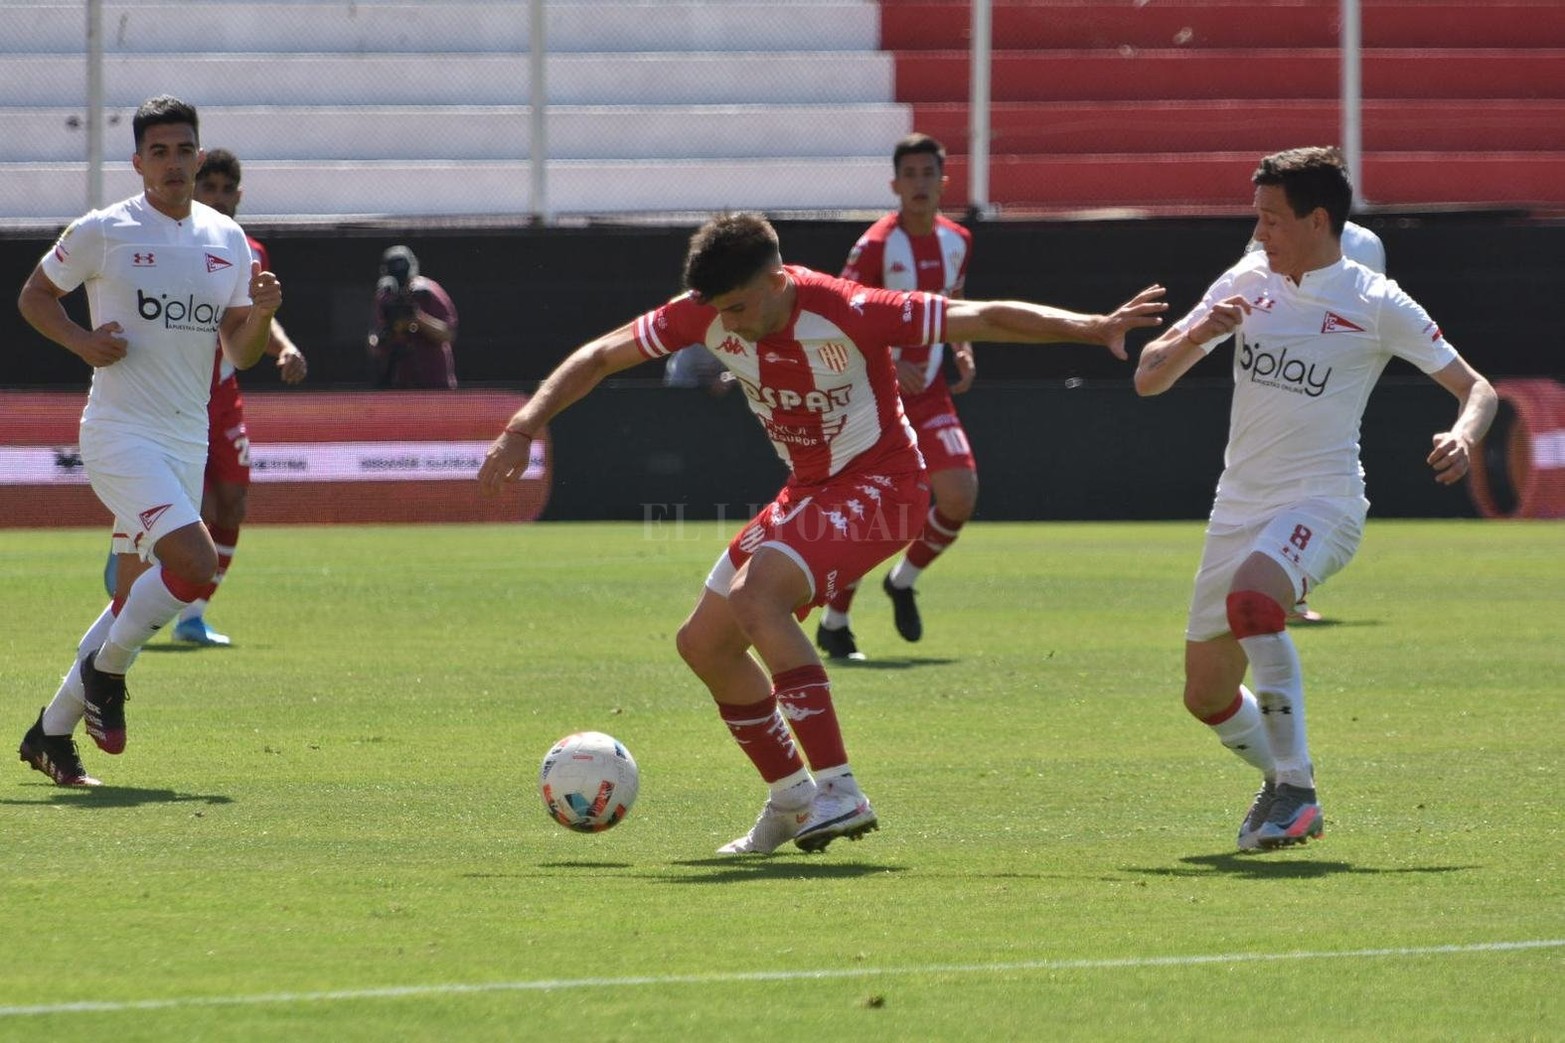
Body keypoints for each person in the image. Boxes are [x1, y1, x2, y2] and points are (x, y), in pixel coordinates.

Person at [480, 212, 1166, 854]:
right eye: (719, 312)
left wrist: (1088, 326)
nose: (730, 326)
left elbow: (980, 316)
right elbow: (600, 355)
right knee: (704, 644)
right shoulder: (708, 314)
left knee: (756, 597)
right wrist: (522, 425)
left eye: (741, 307)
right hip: (807, 492)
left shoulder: (849, 309)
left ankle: (838, 786)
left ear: (777, 281)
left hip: (887, 488)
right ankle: (789, 797)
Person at [1133, 147, 1496, 851]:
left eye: (1270, 219)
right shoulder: (1245, 279)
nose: (1259, 232)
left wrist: (1462, 435)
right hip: (1236, 506)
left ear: (1316, 220)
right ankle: (1290, 781)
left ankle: (1294, 792)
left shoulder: (1373, 300)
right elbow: (1148, 377)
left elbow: (1474, 387)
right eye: (1257, 219)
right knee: (1204, 694)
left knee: (1254, 601)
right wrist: (1201, 331)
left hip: (1322, 502)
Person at [16, 95, 281, 786]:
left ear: (199, 155)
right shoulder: (105, 230)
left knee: (129, 599)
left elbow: (243, 352)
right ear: (137, 162)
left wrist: (264, 316)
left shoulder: (224, 239)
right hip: (119, 433)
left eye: (183, 150)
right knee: (194, 562)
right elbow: (34, 296)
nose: (172, 163)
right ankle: (108, 675)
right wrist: (81, 341)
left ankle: (49, 733)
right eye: (158, 152)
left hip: (184, 440)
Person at [817, 132, 977, 660]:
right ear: (894, 184)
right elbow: (841, 315)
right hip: (876, 396)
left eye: (927, 174)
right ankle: (836, 624)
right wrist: (887, 362)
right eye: (908, 175)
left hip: (930, 392)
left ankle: (903, 580)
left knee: (959, 493)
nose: (918, 185)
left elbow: (953, 303)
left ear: (943, 181)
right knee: (876, 512)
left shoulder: (957, 240)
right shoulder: (876, 247)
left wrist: (961, 346)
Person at [139, 148, 307, 646]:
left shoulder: (249, 249)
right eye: (206, 187)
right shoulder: (170, 242)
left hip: (223, 393)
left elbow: (252, 316)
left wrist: (285, 347)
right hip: (172, 392)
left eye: (224, 189)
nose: (215, 197)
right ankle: (138, 596)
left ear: (238, 195)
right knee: (192, 505)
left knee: (231, 503)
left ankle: (193, 615)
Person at [1243, 219, 1385, 624]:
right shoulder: (1271, 233)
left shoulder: (1360, 242)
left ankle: (1288, 586)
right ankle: (1283, 585)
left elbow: (1370, 301)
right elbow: (1256, 274)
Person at [367, 245, 457, 389]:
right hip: (398, 382)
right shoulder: (385, 297)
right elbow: (374, 343)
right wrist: (389, 333)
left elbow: (447, 334)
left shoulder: (429, 293)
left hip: (434, 383)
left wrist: (417, 318)